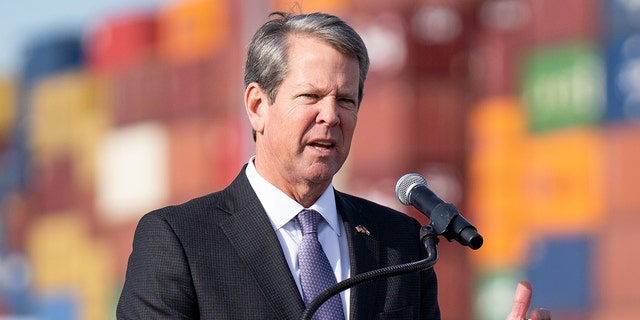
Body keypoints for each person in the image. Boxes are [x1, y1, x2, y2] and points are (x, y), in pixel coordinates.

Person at [116, 11, 550, 320]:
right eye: (311, 97)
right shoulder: (179, 241)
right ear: (257, 106)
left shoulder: (402, 246)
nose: (331, 116)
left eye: (346, 100)